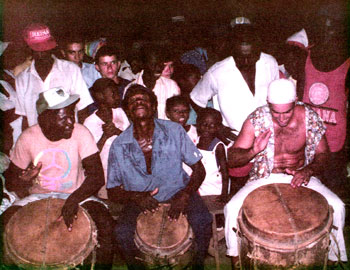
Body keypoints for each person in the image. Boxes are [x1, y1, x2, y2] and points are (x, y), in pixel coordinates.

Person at [224, 79, 347, 266]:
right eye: (276, 112)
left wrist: (308, 170)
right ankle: (236, 262)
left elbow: (324, 154)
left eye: (287, 111)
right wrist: (253, 150)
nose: (281, 118)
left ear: (296, 101)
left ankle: (331, 260)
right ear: (268, 104)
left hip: (300, 175)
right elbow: (231, 158)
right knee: (231, 208)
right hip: (264, 176)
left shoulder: (309, 118)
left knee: (338, 206)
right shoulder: (256, 119)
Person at [2, 88, 114, 269]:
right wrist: (24, 180)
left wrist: (73, 200)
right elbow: (10, 181)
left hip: (77, 194)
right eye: (64, 118)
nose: (71, 122)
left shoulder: (81, 132)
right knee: (5, 223)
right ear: (45, 119)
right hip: (39, 197)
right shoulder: (28, 137)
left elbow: (96, 177)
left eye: (72, 115)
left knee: (105, 224)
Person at [107, 84, 212, 270]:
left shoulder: (174, 131)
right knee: (122, 232)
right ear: (127, 110)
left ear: (154, 106)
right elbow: (113, 190)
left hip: (178, 192)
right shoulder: (119, 145)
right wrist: (136, 197)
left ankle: (197, 265)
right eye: (132, 100)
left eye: (143, 99)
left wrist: (185, 194)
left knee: (203, 220)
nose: (138, 102)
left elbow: (199, 170)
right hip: (140, 198)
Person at [190, 24, 279, 135]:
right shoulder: (217, 72)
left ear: (258, 51)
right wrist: (218, 127)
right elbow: (196, 99)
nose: (246, 62)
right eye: (241, 58)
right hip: (235, 137)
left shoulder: (270, 63)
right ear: (233, 51)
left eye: (250, 57)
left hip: (268, 133)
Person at [303, 1, 349, 196]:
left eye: (333, 26)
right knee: (304, 192)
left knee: (331, 194)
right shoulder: (303, 55)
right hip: (304, 138)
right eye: (323, 25)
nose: (327, 31)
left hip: (335, 143)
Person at [15, 23, 93, 128]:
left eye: (46, 48)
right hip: (38, 140)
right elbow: (25, 117)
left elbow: (83, 108)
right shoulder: (22, 79)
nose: (43, 53)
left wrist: (79, 138)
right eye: (38, 49)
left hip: (68, 136)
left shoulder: (71, 70)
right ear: (29, 50)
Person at [83, 78, 130, 199]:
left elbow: (131, 140)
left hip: (125, 170)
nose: (117, 97)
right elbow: (90, 156)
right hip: (105, 173)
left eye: (117, 93)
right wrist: (105, 136)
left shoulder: (119, 112)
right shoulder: (90, 123)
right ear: (100, 96)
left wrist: (117, 132)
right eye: (113, 94)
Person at [196, 108, 229, 202]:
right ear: (198, 125)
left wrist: (224, 193)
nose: (207, 128)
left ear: (218, 127)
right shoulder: (196, 141)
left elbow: (225, 171)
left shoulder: (218, 147)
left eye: (212, 125)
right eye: (204, 124)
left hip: (215, 188)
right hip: (201, 185)